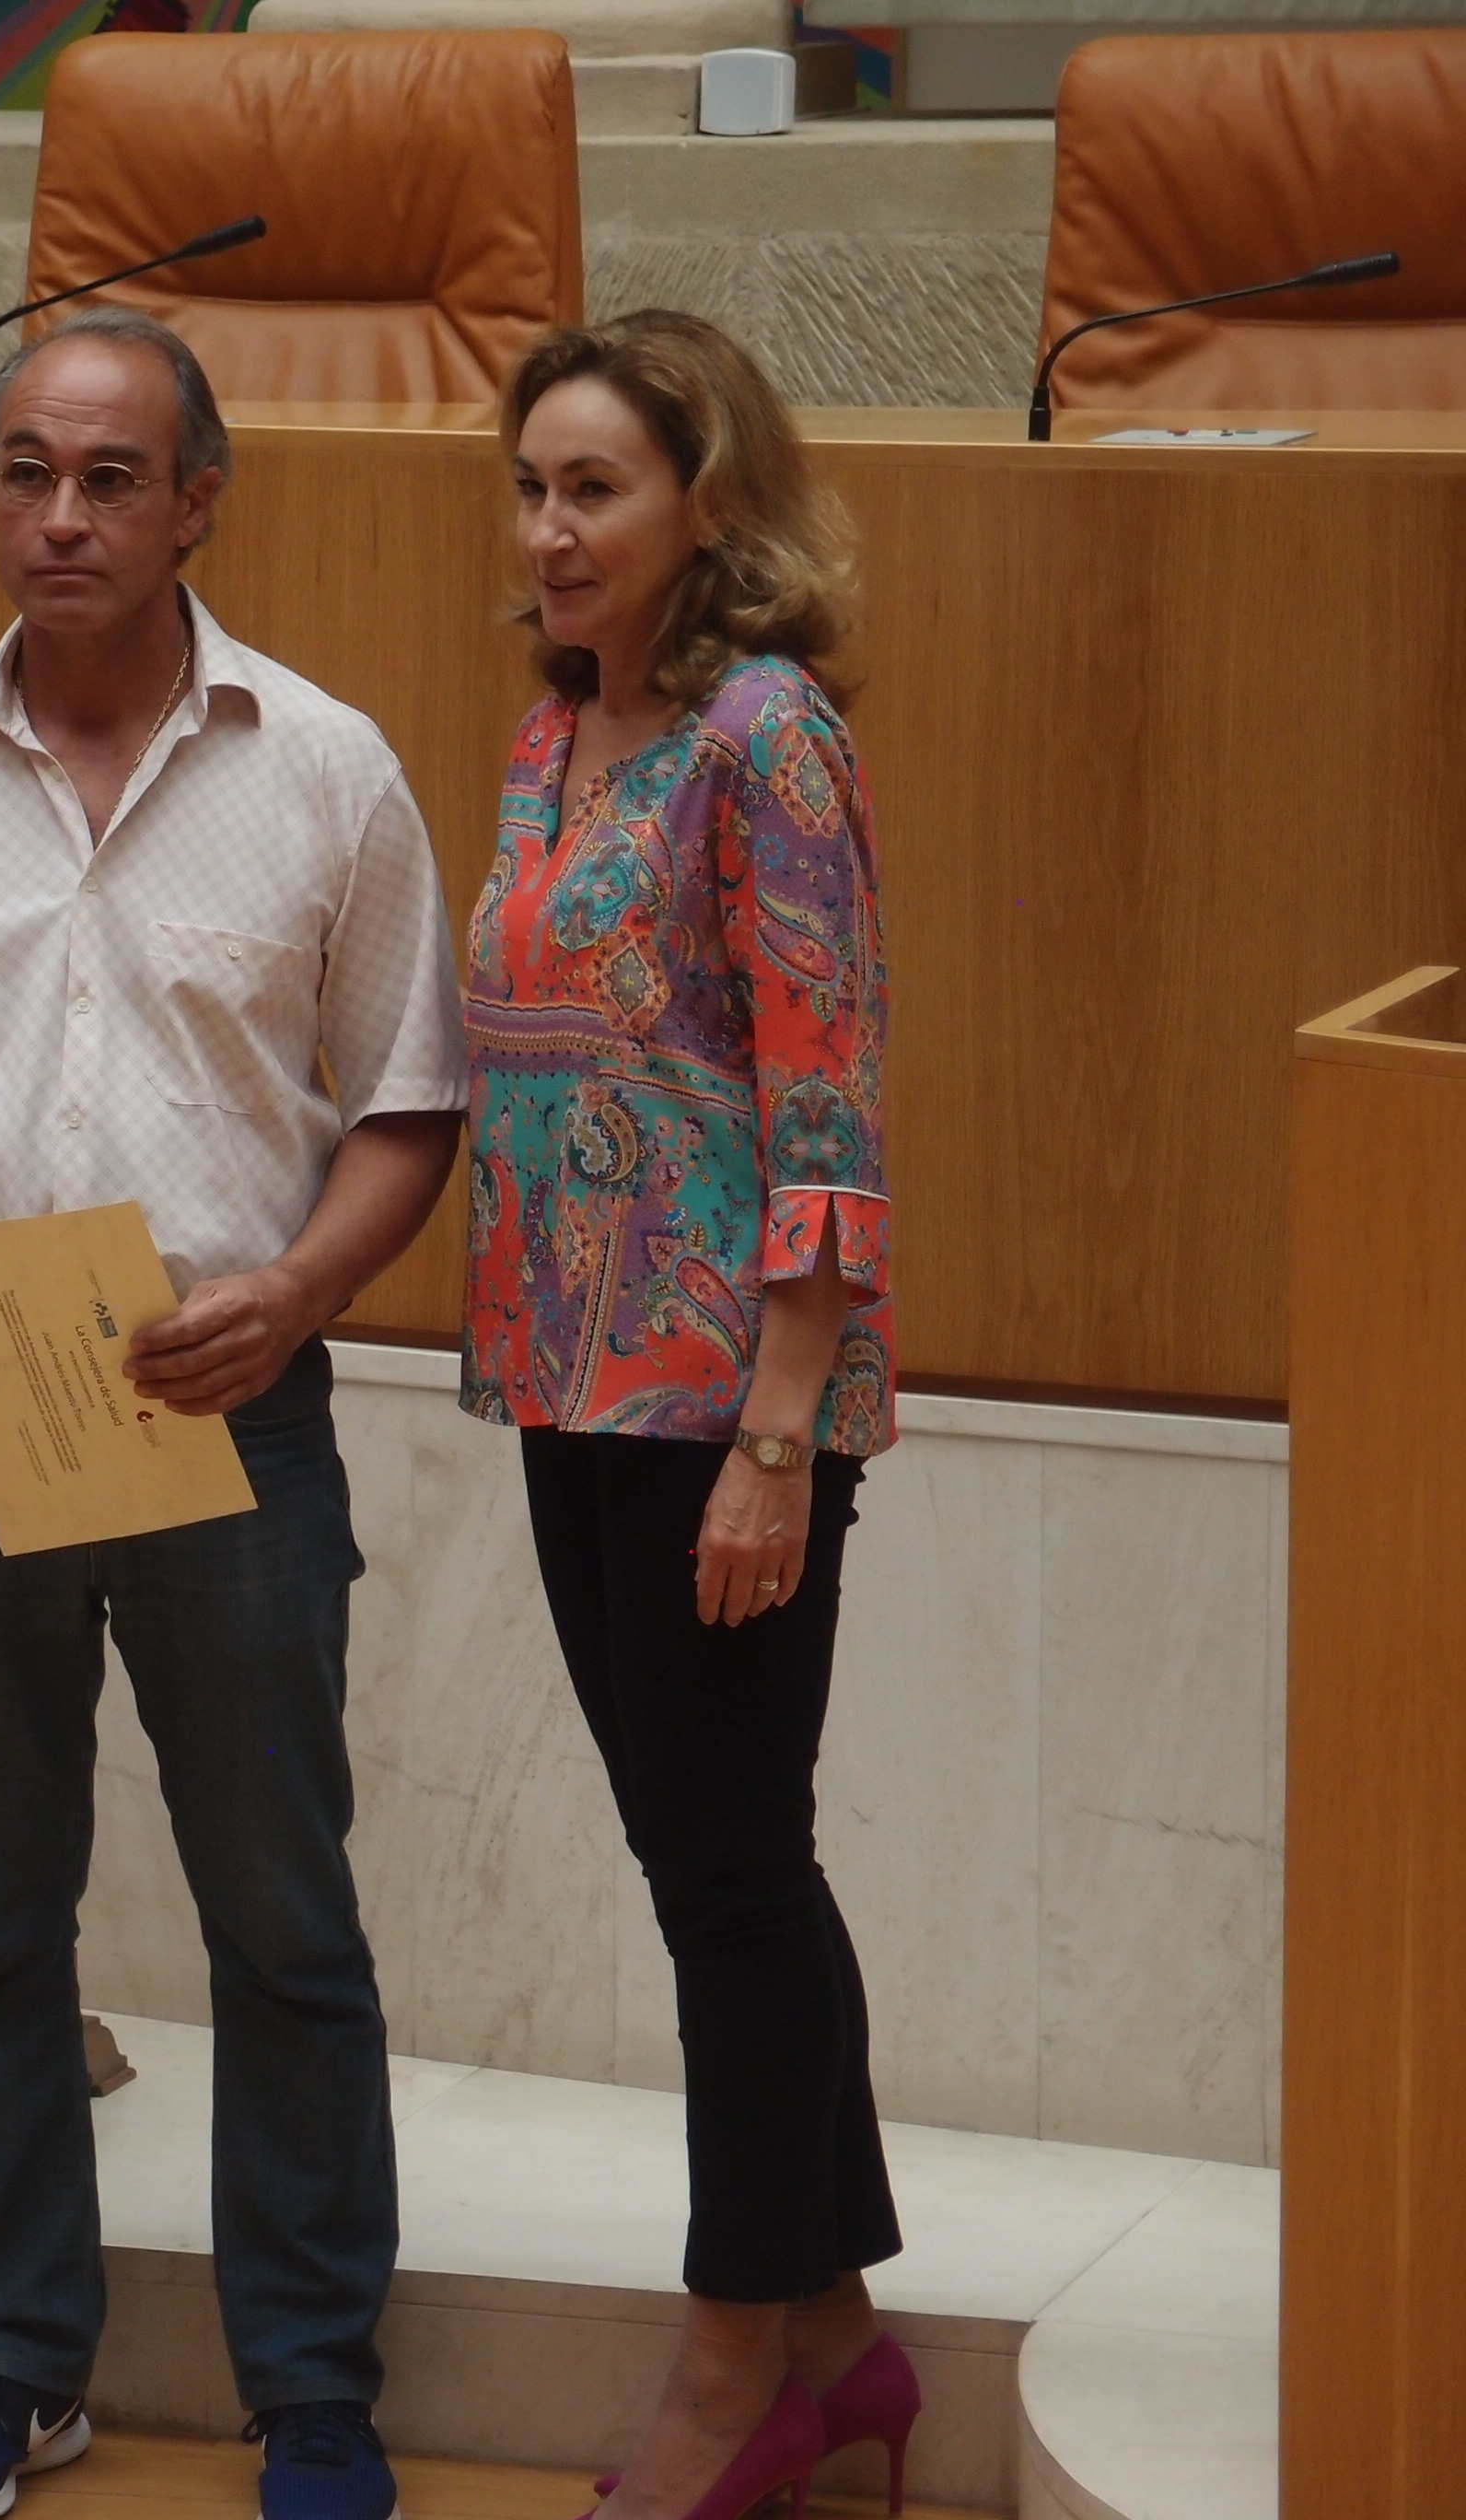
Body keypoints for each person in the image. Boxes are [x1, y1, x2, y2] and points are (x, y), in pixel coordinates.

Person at [0, 307, 467, 2520]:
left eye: (108, 480)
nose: (58, 517)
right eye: (25, 473)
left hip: (230, 1414)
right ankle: (12, 2371)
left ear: (197, 506)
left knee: (287, 1926)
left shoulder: (324, 768)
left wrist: (300, 1292)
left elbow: (412, 1103)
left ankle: (314, 2394)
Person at [463, 309, 913, 2520]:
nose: (549, 531)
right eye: (530, 488)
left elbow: (827, 1098)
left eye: (595, 489)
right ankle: (838, 2330)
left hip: (728, 1398)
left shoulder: (768, 738)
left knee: (733, 1878)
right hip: (564, 1377)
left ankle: (738, 2363)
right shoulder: (555, 733)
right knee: (705, 1864)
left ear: (705, 502)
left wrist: (779, 1434)